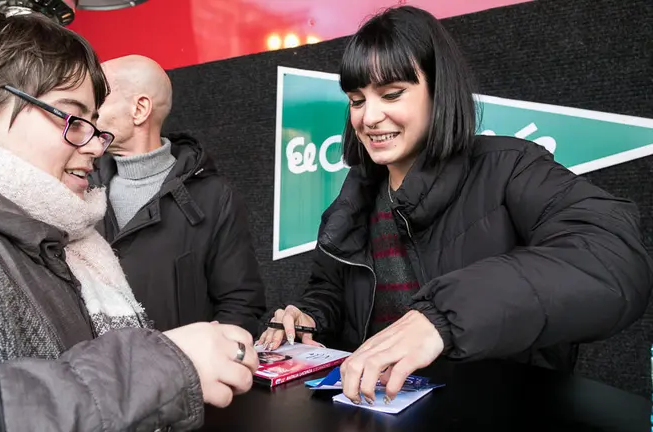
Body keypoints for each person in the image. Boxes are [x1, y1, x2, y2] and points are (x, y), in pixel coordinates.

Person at [258, 5, 653, 406]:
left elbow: (613, 258)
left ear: (439, 89)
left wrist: (443, 317)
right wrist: (310, 319)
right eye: (357, 101)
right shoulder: (353, 199)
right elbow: (330, 292)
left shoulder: (511, 168)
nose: (370, 117)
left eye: (392, 94)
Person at [0, 11, 258, 431]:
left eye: (92, 123)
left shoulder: (55, 226)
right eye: (71, 118)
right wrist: (156, 368)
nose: (95, 145)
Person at [91, 55, 266, 336]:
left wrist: (204, 365)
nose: (88, 111)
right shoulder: (79, 189)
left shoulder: (214, 198)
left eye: (98, 98)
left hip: (181, 377)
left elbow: (240, 306)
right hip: (96, 375)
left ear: (140, 109)